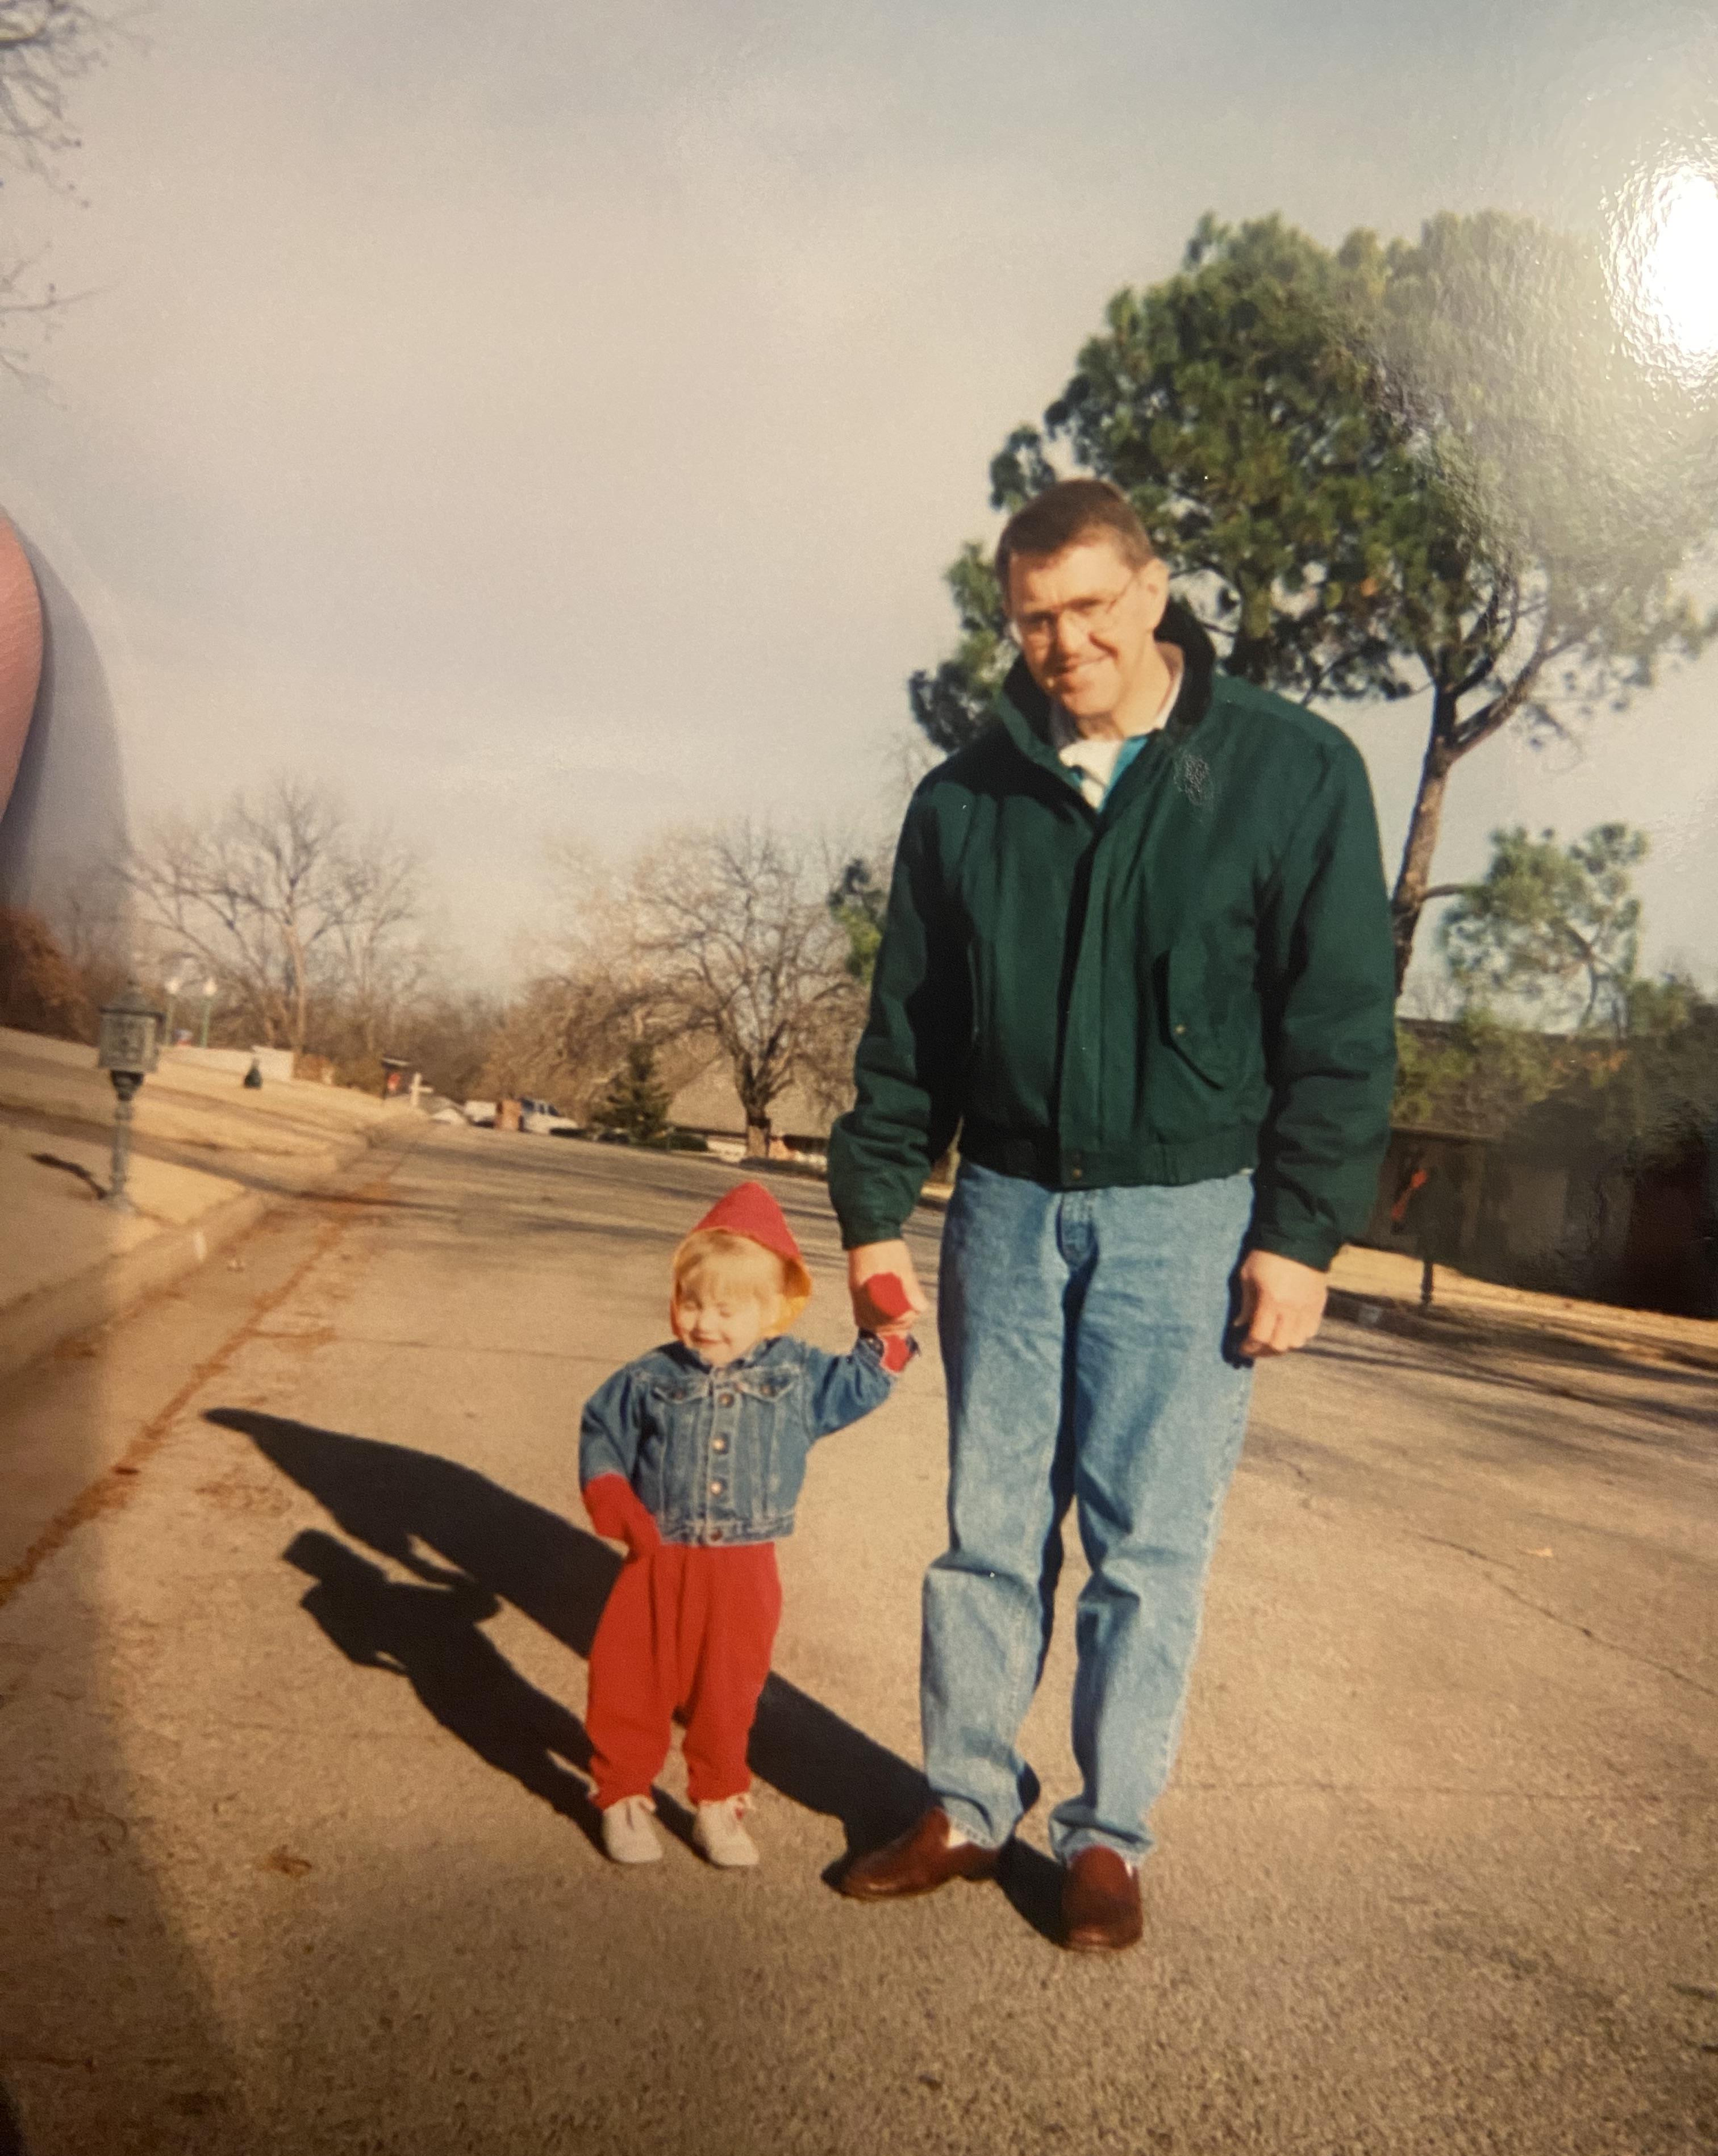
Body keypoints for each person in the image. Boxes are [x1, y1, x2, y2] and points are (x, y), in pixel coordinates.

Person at [827, 478, 1398, 1951]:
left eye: (1089, 608)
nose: (1064, 643)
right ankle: (964, 1801)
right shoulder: (966, 800)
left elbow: (1338, 1022)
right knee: (989, 1531)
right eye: (1033, 620)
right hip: (1007, 1209)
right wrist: (876, 1215)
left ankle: (1107, 1838)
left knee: (1147, 1546)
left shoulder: (1288, 770)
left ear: (1151, 594)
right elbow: (912, 1031)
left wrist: (1302, 1233)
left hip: (1191, 1216)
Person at [578, 1181, 914, 1869]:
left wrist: (886, 1327)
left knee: (729, 1688)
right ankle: (622, 1793)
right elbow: (601, 1429)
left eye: (727, 1310)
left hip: (745, 1565)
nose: (704, 1323)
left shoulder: (795, 1376)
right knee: (631, 1679)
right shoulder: (650, 1376)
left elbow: (864, 1380)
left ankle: (718, 1799)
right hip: (657, 1554)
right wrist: (611, 1494)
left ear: (772, 1312)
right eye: (692, 1303)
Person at [1391, 1156, 1460, 1310]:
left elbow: (1419, 1203)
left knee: (1428, 1260)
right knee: (1429, 1260)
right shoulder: (1441, 1188)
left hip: (1429, 1227)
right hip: (1432, 1227)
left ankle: (1426, 1289)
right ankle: (1426, 1289)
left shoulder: (1428, 1187)